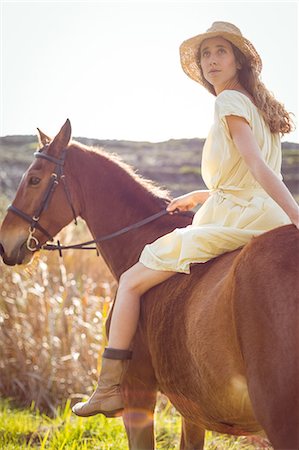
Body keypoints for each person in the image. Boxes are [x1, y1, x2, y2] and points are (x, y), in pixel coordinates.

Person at [72, 21, 299, 417]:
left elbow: (259, 167)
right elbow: (249, 176)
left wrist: (298, 214)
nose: (211, 60)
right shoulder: (260, 108)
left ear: (238, 59)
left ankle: (109, 388)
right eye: (205, 54)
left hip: (240, 215)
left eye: (220, 52)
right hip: (261, 211)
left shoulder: (227, 102)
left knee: (129, 282)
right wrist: (202, 195)